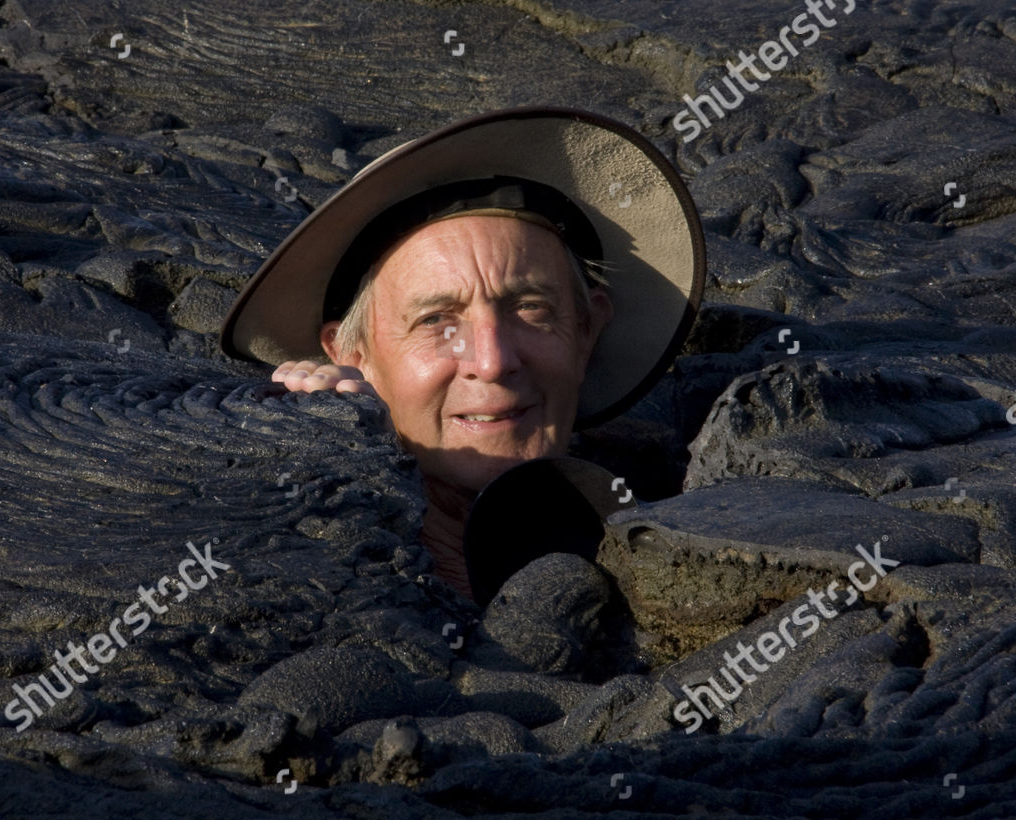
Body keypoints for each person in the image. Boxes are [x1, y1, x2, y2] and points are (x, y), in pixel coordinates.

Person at [221, 106, 705, 600]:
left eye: (531, 307)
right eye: (435, 320)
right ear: (352, 353)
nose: (493, 362)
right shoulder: (298, 559)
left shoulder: (683, 539)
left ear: (587, 332)